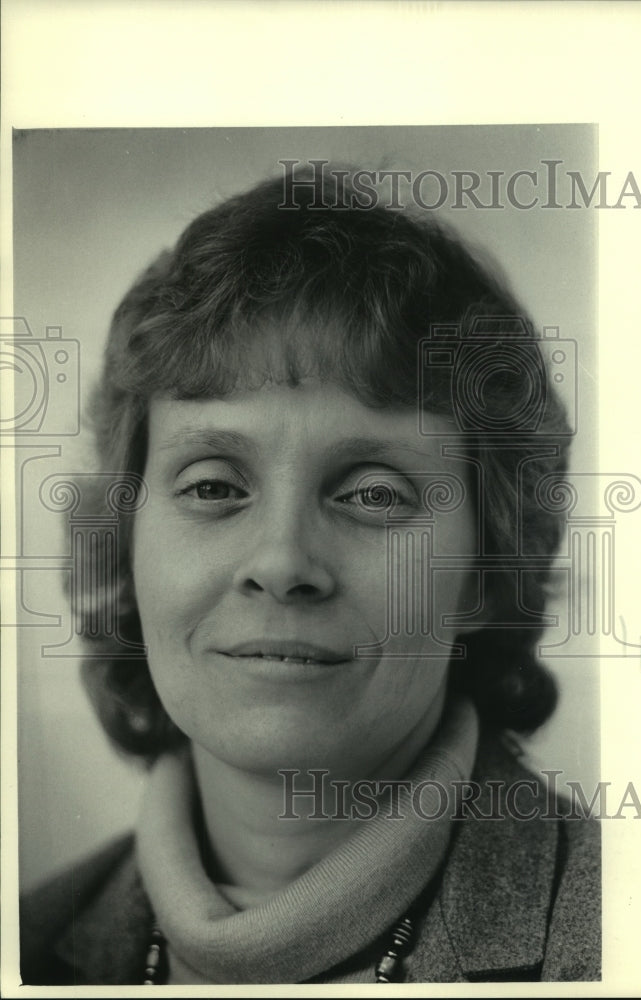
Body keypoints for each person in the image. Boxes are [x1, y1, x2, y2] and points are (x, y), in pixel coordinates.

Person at [19, 167, 600, 984]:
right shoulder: (33, 946)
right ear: (127, 543)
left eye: (372, 493)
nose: (283, 563)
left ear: (483, 573)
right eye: (213, 486)